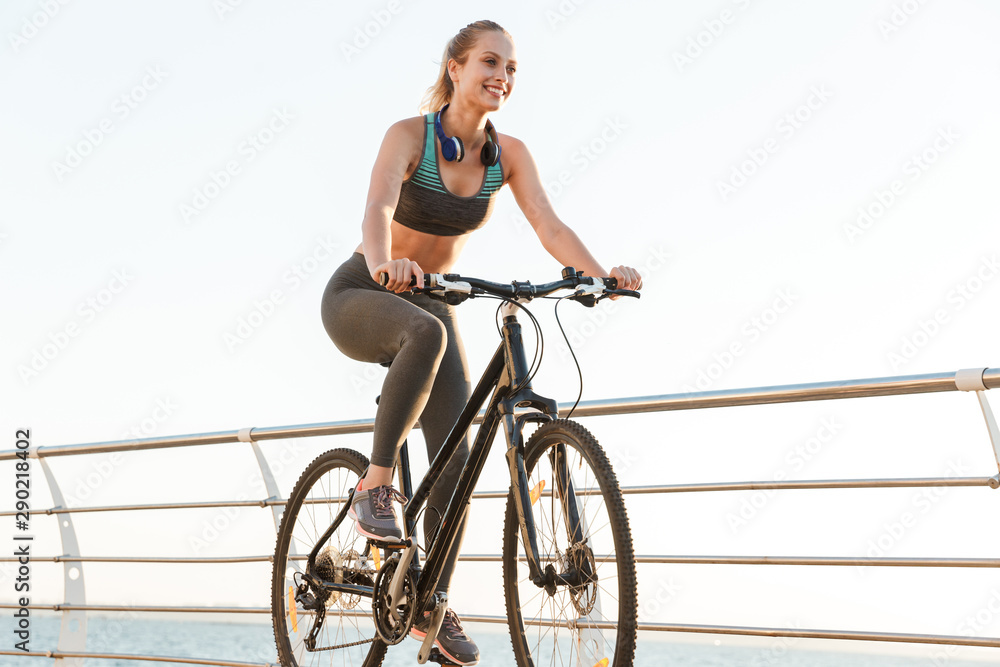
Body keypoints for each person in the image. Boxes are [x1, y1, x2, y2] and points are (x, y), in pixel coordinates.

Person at [320, 19, 642, 666]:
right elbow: (378, 207)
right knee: (427, 327)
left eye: (512, 68)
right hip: (365, 290)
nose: (502, 76)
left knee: (459, 459)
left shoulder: (510, 153)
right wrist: (386, 264)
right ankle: (374, 488)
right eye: (490, 62)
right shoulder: (410, 135)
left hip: (433, 300)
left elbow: (548, 223)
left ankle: (430, 603)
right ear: (456, 68)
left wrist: (601, 274)